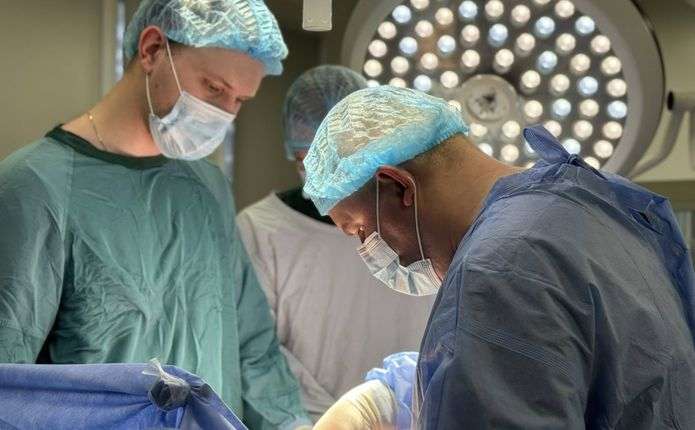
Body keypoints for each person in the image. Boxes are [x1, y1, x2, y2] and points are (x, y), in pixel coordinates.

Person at [305, 86, 695, 428]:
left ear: (398, 186)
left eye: (360, 229)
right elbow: (559, 364)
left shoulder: (497, 269)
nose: (370, 251)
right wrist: (395, 392)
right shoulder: (597, 199)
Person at [0, 1, 311, 428]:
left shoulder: (207, 188)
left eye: (240, 100)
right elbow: (9, 382)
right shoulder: (36, 186)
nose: (224, 113)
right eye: (213, 88)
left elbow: (254, 349)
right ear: (151, 50)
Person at [236, 65, 434, 422]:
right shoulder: (261, 230)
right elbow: (256, 355)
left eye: (342, 159)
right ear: (294, 154)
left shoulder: (427, 224)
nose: (330, 180)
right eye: (311, 161)